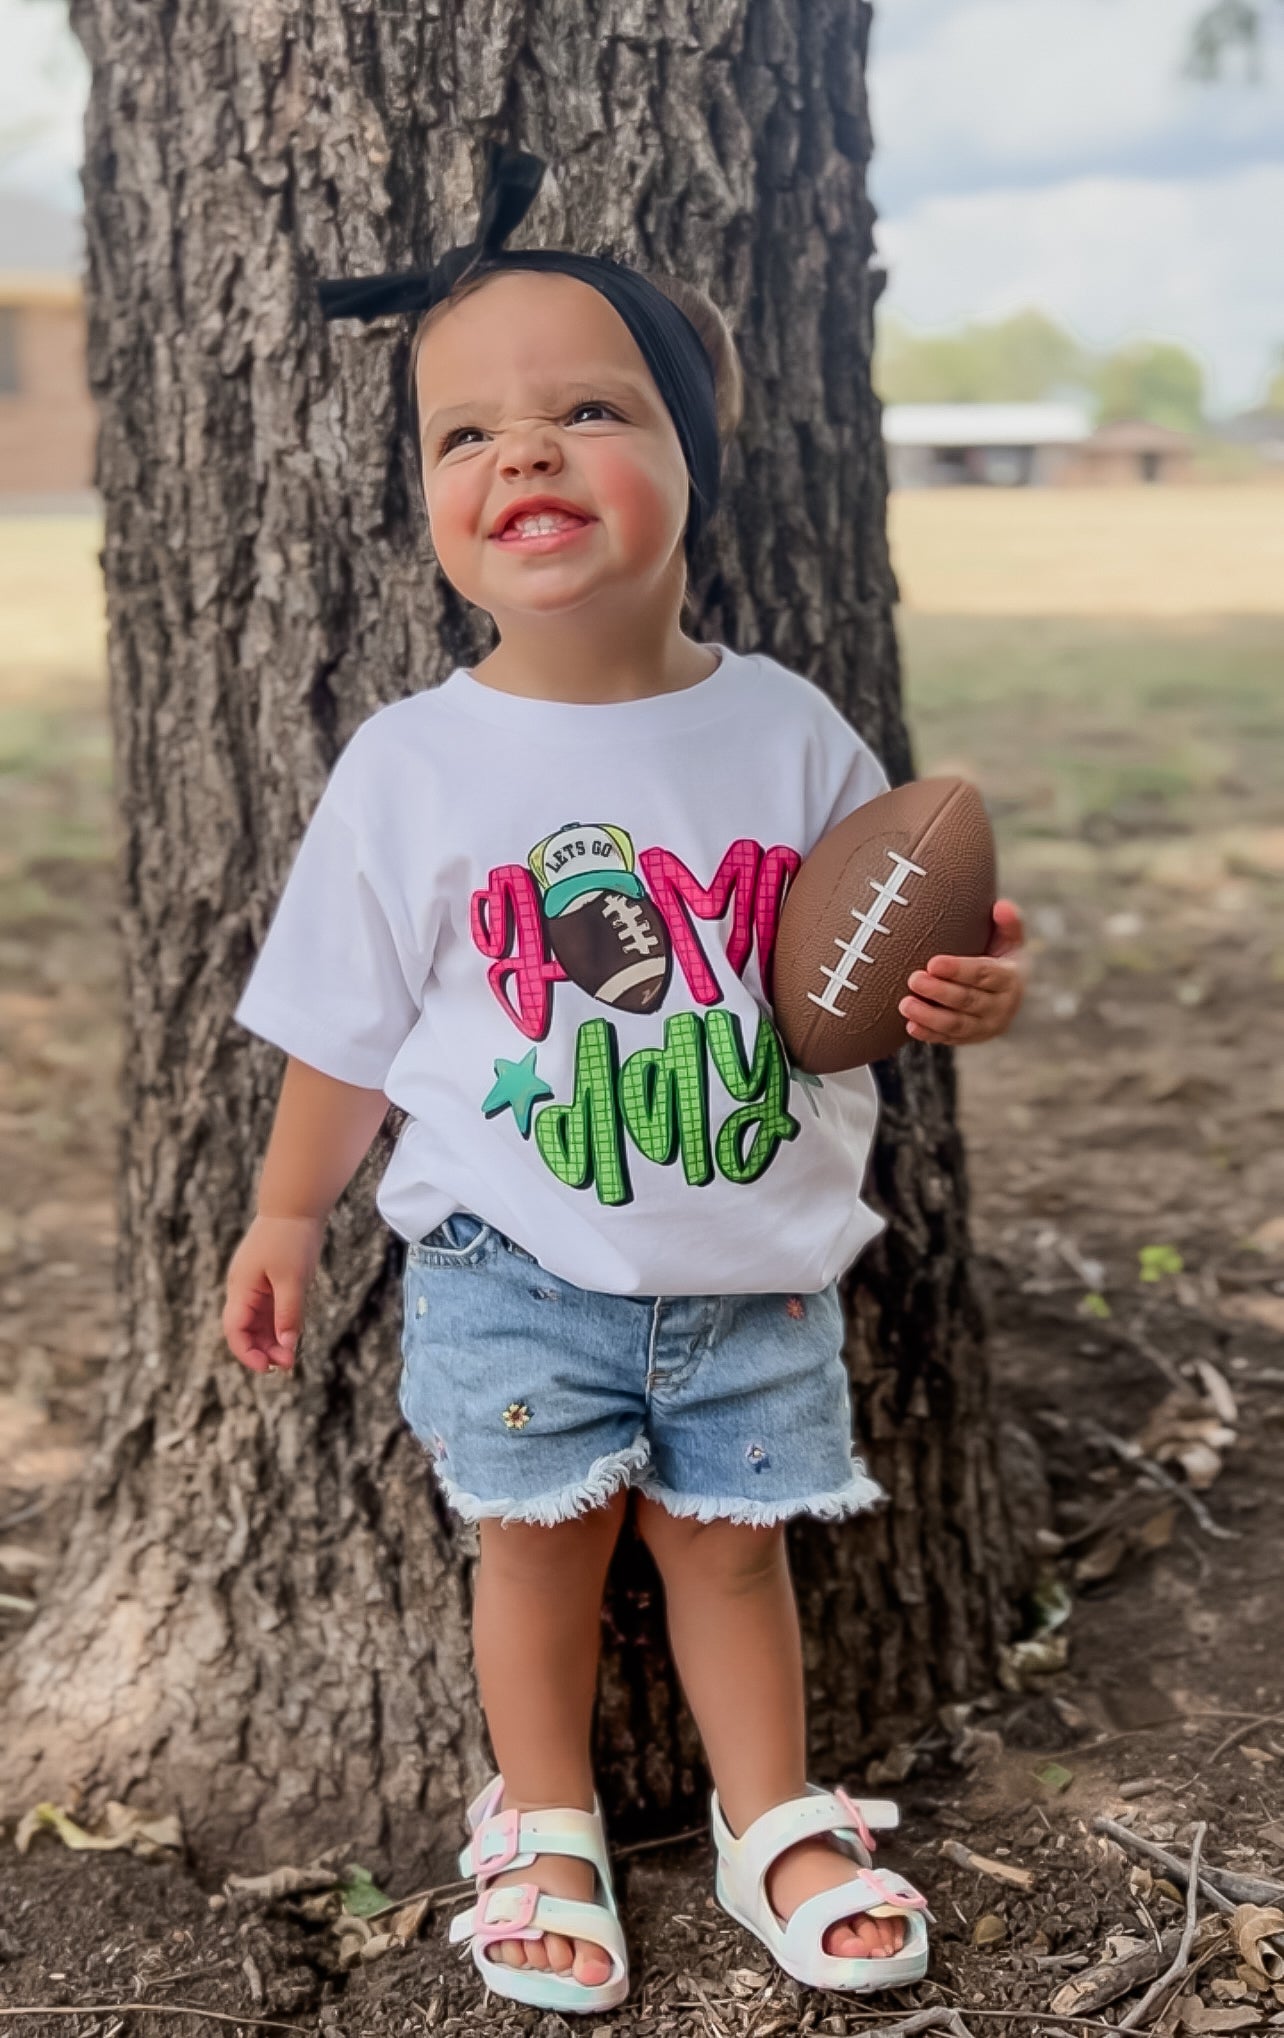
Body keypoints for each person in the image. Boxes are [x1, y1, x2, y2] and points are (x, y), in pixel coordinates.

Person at [223, 147, 1026, 2018]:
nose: (524, 457)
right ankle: (549, 1815)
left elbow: (894, 929)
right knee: (540, 1558)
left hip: (752, 1255)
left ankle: (774, 1816)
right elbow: (344, 1025)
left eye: (590, 409)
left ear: (694, 455)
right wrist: (285, 1209)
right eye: (465, 435)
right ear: (427, 495)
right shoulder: (414, 765)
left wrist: (970, 983)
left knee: (733, 1561)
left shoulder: (787, 724)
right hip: (515, 1257)